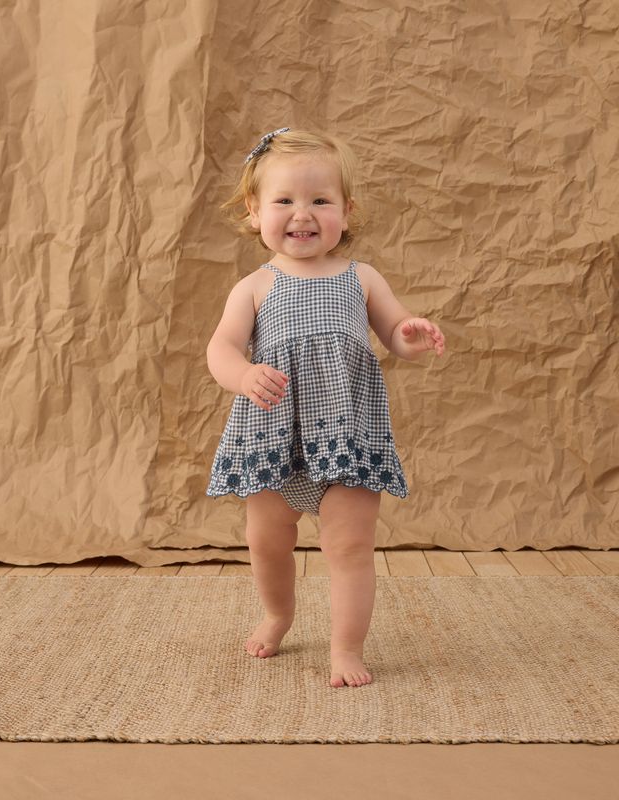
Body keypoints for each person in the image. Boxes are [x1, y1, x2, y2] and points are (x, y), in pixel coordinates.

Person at [206, 127, 445, 688]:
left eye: (320, 200)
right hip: (273, 437)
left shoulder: (361, 278)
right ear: (254, 209)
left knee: (352, 544)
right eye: (284, 200)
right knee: (267, 541)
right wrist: (242, 373)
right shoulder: (254, 287)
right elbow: (220, 348)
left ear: (346, 209)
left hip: (347, 435)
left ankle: (346, 648)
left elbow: (394, 335)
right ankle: (278, 614)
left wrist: (411, 335)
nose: (302, 214)